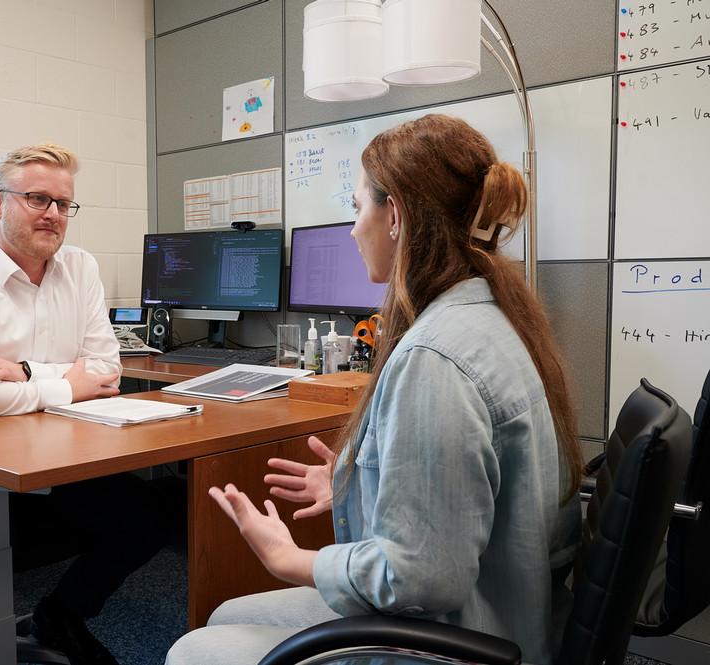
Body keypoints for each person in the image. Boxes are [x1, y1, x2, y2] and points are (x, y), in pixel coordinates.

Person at [165, 114, 584, 665]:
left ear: (396, 216)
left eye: (357, 207)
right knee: (224, 615)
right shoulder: (490, 315)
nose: (353, 228)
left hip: (457, 639)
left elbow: (422, 578)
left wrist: (290, 559)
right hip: (509, 611)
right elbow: (466, 492)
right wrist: (357, 482)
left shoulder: (433, 360)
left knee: (193, 652)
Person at [0, 141, 173, 665]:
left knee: (150, 518)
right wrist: (65, 384)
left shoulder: (81, 268)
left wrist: (22, 371)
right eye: (37, 199)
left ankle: (59, 617)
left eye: (63, 204)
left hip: (55, 455)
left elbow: (108, 371)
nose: (53, 214)